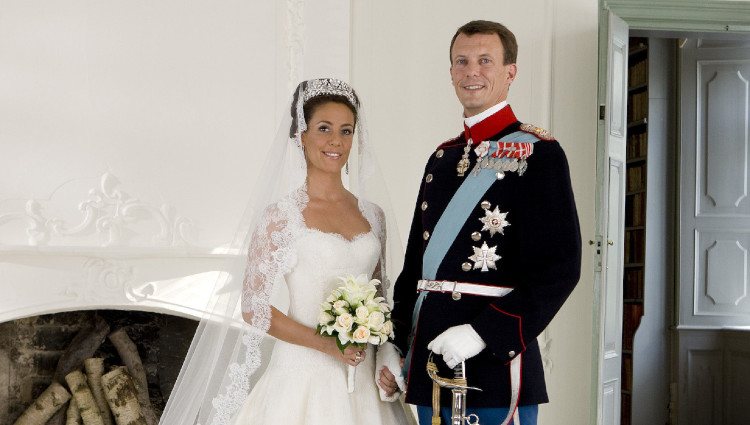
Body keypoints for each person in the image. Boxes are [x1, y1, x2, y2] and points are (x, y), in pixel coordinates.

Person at [160, 79, 410, 424]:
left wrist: (384, 353)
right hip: (303, 376)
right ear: (301, 136)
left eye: (346, 130)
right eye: (324, 128)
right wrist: (327, 345)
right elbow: (254, 308)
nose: (336, 141)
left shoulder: (373, 215)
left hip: (364, 377)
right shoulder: (282, 217)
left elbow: (381, 299)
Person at [380, 20, 582, 425]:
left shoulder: (538, 154)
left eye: (485, 61)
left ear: (511, 71)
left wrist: (484, 333)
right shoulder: (442, 157)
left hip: (493, 366)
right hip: (429, 360)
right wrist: (396, 342)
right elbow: (415, 268)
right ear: (451, 72)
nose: (472, 71)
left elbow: (559, 270)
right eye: (462, 61)